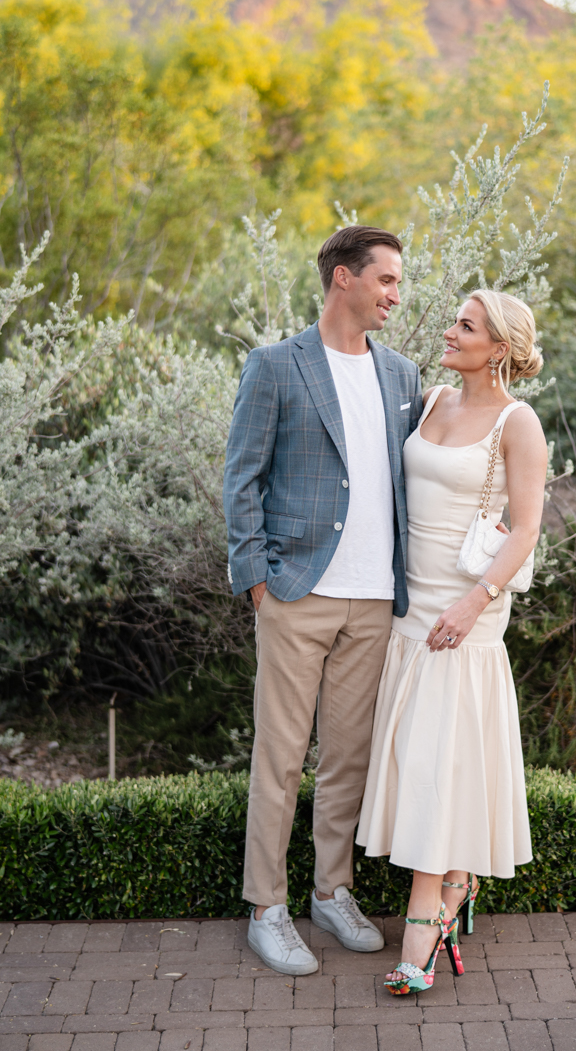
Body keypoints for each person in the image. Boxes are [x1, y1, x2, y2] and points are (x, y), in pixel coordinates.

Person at [223, 225, 423, 976]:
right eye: (387, 280)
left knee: (348, 759)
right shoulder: (276, 366)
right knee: (279, 757)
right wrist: (257, 580)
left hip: (375, 600)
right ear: (344, 278)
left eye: (398, 283)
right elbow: (242, 476)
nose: (396, 295)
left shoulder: (401, 375)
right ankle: (266, 909)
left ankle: (330, 891)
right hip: (296, 594)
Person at [356, 289, 549, 994]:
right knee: (421, 754)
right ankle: (457, 881)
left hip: (465, 615)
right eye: (454, 322)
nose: (449, 331)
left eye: (465, 326)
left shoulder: (518, 423)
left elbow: (525, 528)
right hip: (410, 609)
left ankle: (424, 924)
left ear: (497, 347)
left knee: (440, 759)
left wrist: (475, 603)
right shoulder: (432, 399)